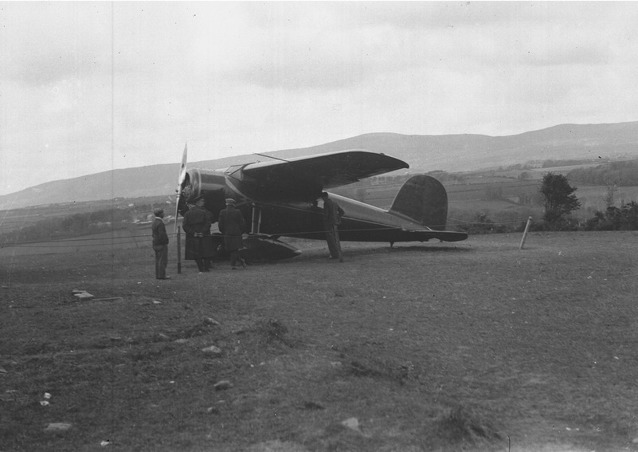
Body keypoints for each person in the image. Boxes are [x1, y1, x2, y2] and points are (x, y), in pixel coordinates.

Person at [182, 195, 215, 273]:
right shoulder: (205, 212)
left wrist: (194, 233)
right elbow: (208, 223)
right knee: (206, 251)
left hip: (194, 236)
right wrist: (202, 232)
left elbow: (185, 226)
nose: (204, 202)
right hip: (204, 235)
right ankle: (206, 268)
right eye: (202, 201)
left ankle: (201, 268)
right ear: (197, 202)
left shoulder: (187, 213)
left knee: (197, 253)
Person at [218, 198, 246, 269]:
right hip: (236, 233)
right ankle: (241, 260)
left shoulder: (222, 212)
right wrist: (240, 231)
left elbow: (220, 224)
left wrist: (223, 231)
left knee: (231, 249)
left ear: (226, 204)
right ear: (233, 204)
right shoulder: (238, 211)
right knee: (234, 249)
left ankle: (233, 265)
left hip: (227, 233)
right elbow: (242, 223)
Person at [320, 191, 344, 262]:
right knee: (336, 239)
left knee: (331, 240)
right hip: (335, 223)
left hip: (328, 224)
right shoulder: (335, 203)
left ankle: (334, 255)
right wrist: (338, 218)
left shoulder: (326, 203)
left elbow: (326, 214)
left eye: (322, 198)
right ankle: (339, 254)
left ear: (324, 197)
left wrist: (323, 221)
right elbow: (342, 212)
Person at [151, 208, 170, 280]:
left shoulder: (154, 222)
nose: (164, 214)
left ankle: (158, 275)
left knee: (158, 260)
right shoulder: (160, 223)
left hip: (155, 243)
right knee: (163, 260)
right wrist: (165, 241)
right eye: (163, 213)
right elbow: (162, 235)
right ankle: (162, 275)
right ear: (160, 214)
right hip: (161, 244)